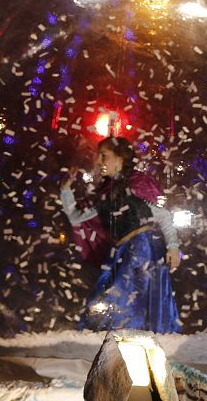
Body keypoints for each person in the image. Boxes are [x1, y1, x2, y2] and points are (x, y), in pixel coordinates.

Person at [60, 136, 181, 333]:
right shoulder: (107, 192)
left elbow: (164, 216)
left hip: (142, 251)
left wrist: (173, 247)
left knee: (126, 299)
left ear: (120, 159)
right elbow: (77, 219)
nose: (99, 162)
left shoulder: (137, 185)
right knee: (107, 296)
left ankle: (126, 340)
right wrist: (66, 191)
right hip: (120, 252)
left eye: (104, 156)